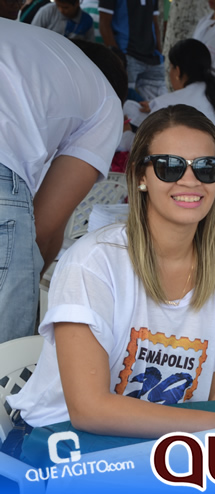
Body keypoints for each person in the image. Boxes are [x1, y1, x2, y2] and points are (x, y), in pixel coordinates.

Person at [3, 105, 215, 462]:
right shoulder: (94, 262)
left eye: (206, 167)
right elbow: (89, 409)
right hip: (62, 447)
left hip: (166, 447)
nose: (190, 180)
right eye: (169, 166)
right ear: (140, 176)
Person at [0, 20, 124, 344]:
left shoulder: (38, 50)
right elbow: (44, 228)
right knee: (6, 360)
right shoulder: (106, 102)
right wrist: (29, 283)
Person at [144, 39, 215, 176]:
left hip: (210, 182)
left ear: (177, 71)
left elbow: (147, 146)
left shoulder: (165, 103)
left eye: (170, 68)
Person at [99, 0, 166, 100]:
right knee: (128, 103)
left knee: (158, 105)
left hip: (153, 58)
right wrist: (117, 56)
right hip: (127, 56)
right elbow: (104, 23)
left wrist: (159, 51)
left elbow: (155, 22)